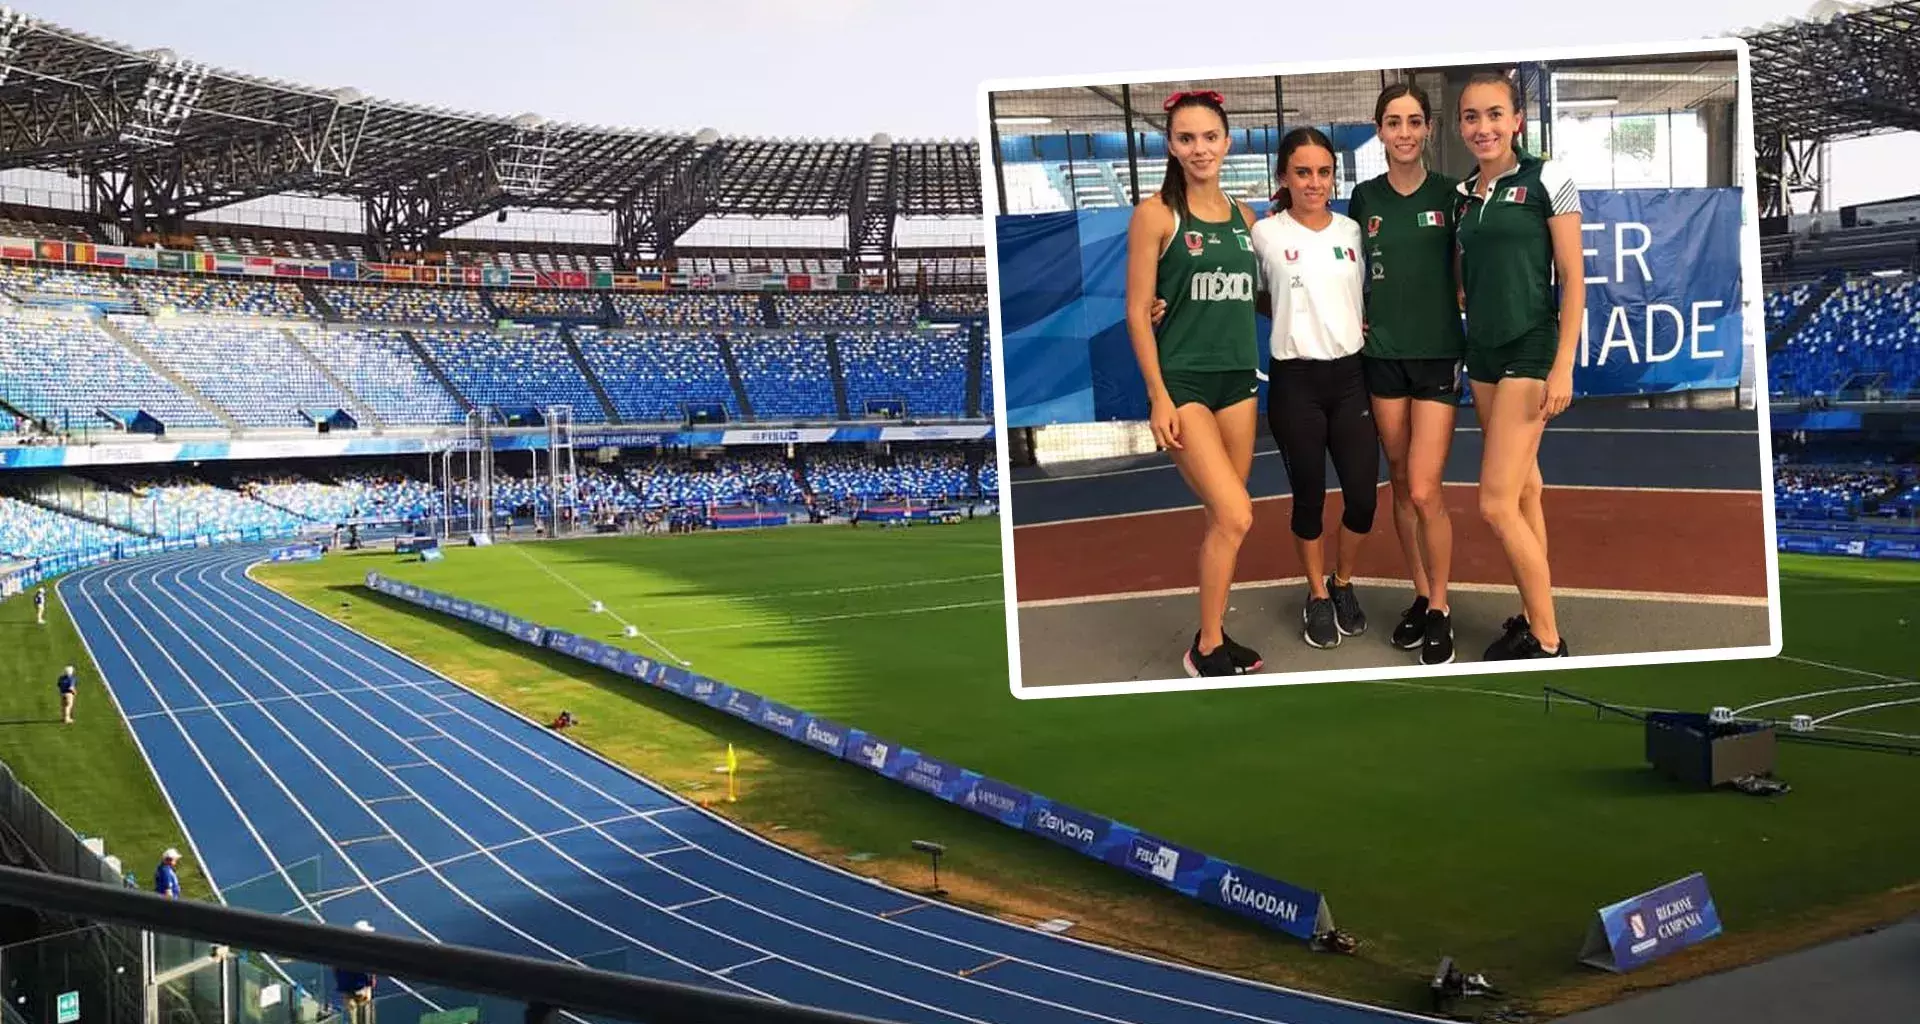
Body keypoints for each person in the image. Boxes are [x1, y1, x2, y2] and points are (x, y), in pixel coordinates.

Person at [1125, 89, 1265, 677]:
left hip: (1239, 381)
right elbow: (1136, 310)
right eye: (1187, 138)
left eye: (1210, 137)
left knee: (1223, 522)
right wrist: (1158, 395)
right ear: (1171, 145)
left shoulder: (1247, 217)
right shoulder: (1155, 213)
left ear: (1227, 143)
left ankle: (1213, 637)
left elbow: (1260, 297)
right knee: (1236, 514)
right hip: (1184, 382)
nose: (1200, 148)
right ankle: (1206, 648)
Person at [1452, 70, 1584, 660]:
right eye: (1472, 117)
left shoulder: (1547, 178)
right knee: (1526, 490)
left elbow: (1575, 284)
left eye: (1494, 115)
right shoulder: (1463, 195)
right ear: (1461, 126)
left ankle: (1549, 638)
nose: (1483, 127)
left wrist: (1563, 366)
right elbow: (1464, 275)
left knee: (1495, 503)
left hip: (1530, 350)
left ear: (1517, 121)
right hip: (1481, 353)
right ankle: (1533, 615)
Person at [1346, 82, 1468, 665]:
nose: (1403, 132)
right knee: (1398, 479)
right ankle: (1420, 595)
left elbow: (1476, 264)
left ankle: (1442, 605)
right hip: (1383, 358)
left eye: (1413, 121)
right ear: (1380, 130)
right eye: (1392, 122)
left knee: (1424, 488)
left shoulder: (1453, 195)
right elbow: (1338, 271)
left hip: (1438, 356)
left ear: (1428, 130)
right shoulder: (1362, 198)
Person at [1249, 127, 1378, 649]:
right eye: (1303, 172)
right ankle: (1317, 595)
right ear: (1283, 176)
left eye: (1323, 172)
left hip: (1351, 379)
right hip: (1294, 382)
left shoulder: (1351, 231)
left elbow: (1364, 292)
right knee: (1308, 499)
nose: (1314, 182)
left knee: (1363, 501)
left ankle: (1343, 583)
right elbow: (1253, 294)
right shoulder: (1264, 234)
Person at [335, 920, 378, 1024]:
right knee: (366, 1017)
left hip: (346, 989)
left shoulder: (343, 947)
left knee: (353, 1019)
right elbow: (372, 967)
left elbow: (335, 966)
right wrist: (372, 980)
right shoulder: (365, 949)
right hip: (361, 989)